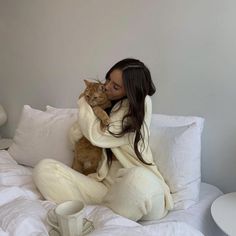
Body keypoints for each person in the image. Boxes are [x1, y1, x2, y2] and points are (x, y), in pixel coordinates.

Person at [33, 58, 173, 221]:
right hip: (104, 189)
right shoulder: (106, 108)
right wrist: (93, 106)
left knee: (137, 180)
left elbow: (97, 136)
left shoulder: (140, 105)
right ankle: (96, 217)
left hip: (144, 190)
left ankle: (106, 217)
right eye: (108, 80)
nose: (106, 87)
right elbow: (75, 138)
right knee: (45, 169)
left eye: (115, 86)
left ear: (131, 91)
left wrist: (83, 101)